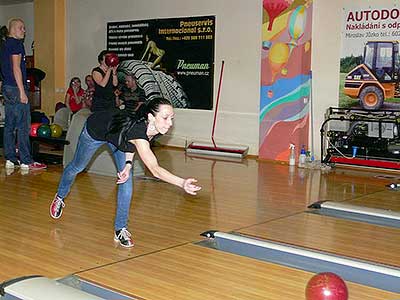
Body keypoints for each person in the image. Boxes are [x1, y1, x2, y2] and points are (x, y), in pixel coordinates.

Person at [49, 98, 201, 248]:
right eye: (165, 117)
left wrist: (128, 165)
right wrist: (182, 183)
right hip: (96, 130)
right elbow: (154, 169)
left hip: (119, 138)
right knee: (77, 166)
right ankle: (60, 196)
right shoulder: (139, 130)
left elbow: (131, 143)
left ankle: (120, 229)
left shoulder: (156, 128)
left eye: (172, 118)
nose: (170, 123)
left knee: (126, 182)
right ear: (150, 117)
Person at [0, 18, 46, 170]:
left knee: (9, 125)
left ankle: (10, 159)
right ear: (12, 29)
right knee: (23, 126)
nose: (24, 31)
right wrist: (22, 91)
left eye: (24, 28)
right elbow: (16, 68)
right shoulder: (16, 44)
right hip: (15, 88)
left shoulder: (5, 44)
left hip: (7, 87)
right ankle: (26, 160)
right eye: (21, 28)